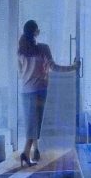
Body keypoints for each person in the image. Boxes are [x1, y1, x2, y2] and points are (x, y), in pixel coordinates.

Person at [17, 20, 80, 167]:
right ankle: (26, 154)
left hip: (25, 90)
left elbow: (20, 72)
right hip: (39, 90)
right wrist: (73, 67)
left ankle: (32, 152)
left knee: (32, 124)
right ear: (35, 32)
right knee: (35, 125)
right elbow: (54, 67)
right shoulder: (43, 48)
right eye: (38, 29)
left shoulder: (20, 51)